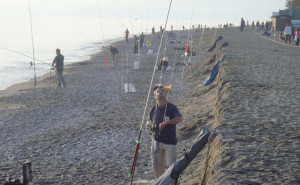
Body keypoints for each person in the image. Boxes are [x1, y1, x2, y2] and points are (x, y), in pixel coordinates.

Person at [148, 85, 183, 177]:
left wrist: (167, 123)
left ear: (165, 94)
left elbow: (180, 119)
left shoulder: (171, 107)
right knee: (157, 167)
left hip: (170, 143)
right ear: (155, 95)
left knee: (172, 168)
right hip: (157, 142)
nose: (160, 94)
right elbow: (149, 122)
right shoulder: (153, 109)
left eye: (162, 92)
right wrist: (150, 125)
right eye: (158, 92)